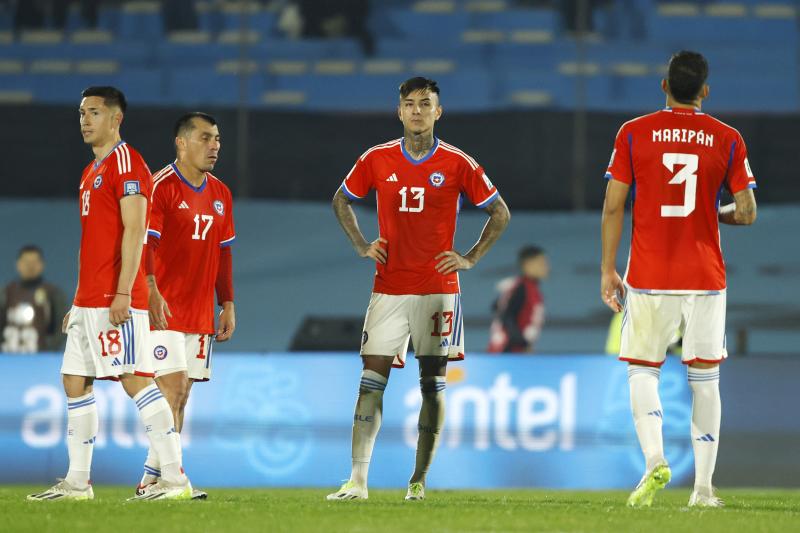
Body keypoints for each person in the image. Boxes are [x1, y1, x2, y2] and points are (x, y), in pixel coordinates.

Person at [327, 77, 511, 502]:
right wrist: (360, 243)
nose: (416, 111)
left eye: (424, 104)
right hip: (389, 287)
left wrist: (471, 256)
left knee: (433, 383)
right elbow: (342, 198)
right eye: (409, 104)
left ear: (438, 112)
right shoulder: (376, 158)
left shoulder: (457, 162)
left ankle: (418, 480)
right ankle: (357, 482)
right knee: (371, 381)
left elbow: (499, 212)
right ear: (399, 111)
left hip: (437, 288)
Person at [600, 51, 757, 508]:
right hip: (705, 276)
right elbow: (746, 213)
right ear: (705, 91)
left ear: (663, 85)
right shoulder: (728, 138)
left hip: (649, 273)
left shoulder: (633, 133)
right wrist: (712, 214)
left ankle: (653, 462)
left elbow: (613, 206)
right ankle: (704, 489)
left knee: (642, 369)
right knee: (705, 380)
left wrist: (609, 269)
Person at [27, 86, 192, 502]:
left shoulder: (128, 164)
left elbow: (135, 231)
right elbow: (94, 241)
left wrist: (123, 292)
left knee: (135, 379)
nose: (84, 119)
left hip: (117, 298)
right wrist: (77, 301)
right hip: (90, 299)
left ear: (116, 119)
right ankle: (78, 483)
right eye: (82, 112)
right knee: (74, 381)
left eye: (94, 112)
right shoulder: (91, 171)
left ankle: (174, 479)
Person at [136, 112, 236, 500]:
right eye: (206, 138)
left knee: (181, 395)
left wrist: (227, 301)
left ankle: (152, 479)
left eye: (218, 139)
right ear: (181, 142)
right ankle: (176, 480)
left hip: (199, 311)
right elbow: (147, 244)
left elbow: (224, 254)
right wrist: (149, 288)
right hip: (163, 307)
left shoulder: (221, 194)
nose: (215, 145)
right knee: (170, 387)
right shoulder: (160, 187)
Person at [1, 245, 67, 353]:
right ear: (18, 265)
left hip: (41, 359)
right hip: (7, 358)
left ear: (42, 265)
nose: (30, 267)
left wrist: (48, 348)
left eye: (34, 263)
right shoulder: (6, 293)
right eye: (26, 262)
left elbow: (63, 326)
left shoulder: (52, 293)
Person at [487, 245, 548, 353]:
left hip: (513, 351)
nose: (546, 267)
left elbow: (497, 306)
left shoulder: (527, 288)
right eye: (541, 263)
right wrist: (523, 343)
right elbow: (506, 317)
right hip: (507, 351)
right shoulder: (522, 288)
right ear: (527, 265)